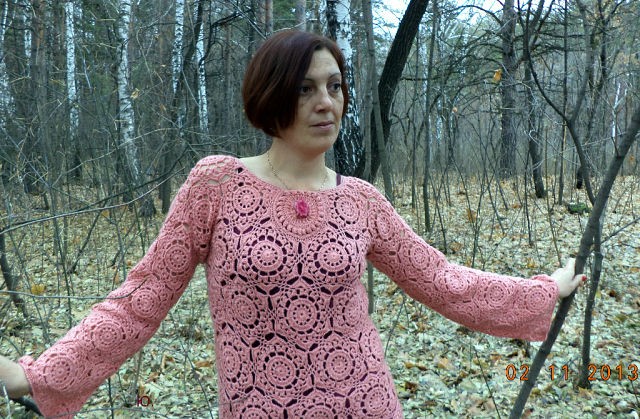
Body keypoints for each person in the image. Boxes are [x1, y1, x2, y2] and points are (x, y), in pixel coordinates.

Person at [0, 30, 584, 418]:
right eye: (305, 89)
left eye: (335, 86)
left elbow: (445, 281)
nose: (326, 102)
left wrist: (544, 291)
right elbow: (141, 298)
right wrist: (36, 376)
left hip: (365, 404)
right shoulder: (217, 185)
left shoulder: (360, 201)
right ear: (271, 96)